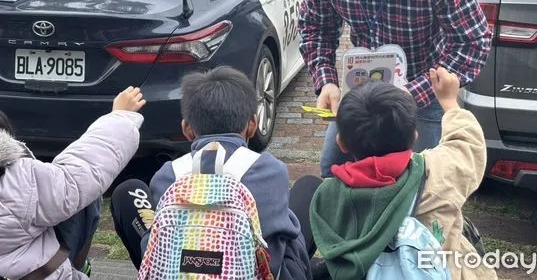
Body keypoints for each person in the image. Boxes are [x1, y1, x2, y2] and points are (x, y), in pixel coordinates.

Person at [298, 0, 492, 177]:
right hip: (361, 92)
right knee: (332, 169)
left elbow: (473, 43)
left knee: (418, 181)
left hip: (421, 96)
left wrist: (413, 94)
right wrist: (326, 81)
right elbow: (316, 28)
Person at [110, 66, 321, 279]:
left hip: (178, 270)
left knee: (128, 192)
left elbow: (154, 242)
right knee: (309, 189)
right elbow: (282, 242)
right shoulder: (271, 171)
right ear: (252, 125)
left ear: (187, 128)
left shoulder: (168, 175)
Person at [309, 67, 497, 279]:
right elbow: (467, 144)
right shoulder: (438, 173)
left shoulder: (326, 197)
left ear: (341, 143)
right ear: (415, 136)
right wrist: (450, 103)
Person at [0, 87, 146, 279]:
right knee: (85, 194)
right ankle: (77, 264)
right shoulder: (15, 178)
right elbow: (81, 173)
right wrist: (120, 117)